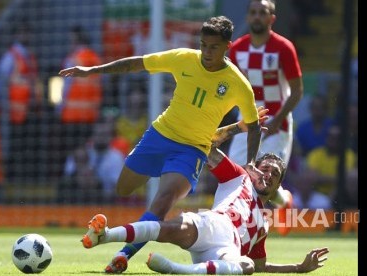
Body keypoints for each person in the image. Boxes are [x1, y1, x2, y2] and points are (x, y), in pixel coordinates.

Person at [59, 15, 262, 273]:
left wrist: (252, 162)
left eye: (213, 47)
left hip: (192, 150)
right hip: (160, 135)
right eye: (203, 45)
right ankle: (120, 238)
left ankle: (121, 256)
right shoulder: (183, 58)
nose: (206, 52)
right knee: (123, 188)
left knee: (162, 202)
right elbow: (138, 64)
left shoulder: (238, 84)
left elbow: (254, 126)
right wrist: (93, 71)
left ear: (227, 47)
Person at [80, 149, 328, 274]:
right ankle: (107, 235)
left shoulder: (264, 225)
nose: (268, 175)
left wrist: (298, 267)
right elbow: (209, 147)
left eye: (275, 174)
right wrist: (237, 128)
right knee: (168, 229)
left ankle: (178, 270)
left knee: (248, 266)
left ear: (277, 186)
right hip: (215, 225)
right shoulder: (238, 176)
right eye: (265, 168)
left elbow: (261, 265)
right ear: (254, 168)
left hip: (225, 252)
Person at [226, 0, 304, 220]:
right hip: (248, 121)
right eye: (253, 13)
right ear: (248, 17)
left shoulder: (283, 48)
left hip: (277, 124)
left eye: (263, 13)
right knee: (237, 174)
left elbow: (297, 91)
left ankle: (282, 200)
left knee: (268, 179)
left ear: (272, 19)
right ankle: (242, 221)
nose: (257, 16)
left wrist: (277, 121)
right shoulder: (238, 49)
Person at [0, 23, 43, 182]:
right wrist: (4, 104)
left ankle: (27, 178)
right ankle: (13, 179)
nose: (26, 36)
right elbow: (0, 81)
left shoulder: (29, 56)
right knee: (15, 147)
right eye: (22, 33)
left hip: (30, 110)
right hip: (14, 112)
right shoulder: (11, 56)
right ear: (16, 35)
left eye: (27, 32)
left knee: (29, 148)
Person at [56, 25, 103, 175]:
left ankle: (71, 177)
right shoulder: (96, 59)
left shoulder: (72, 59)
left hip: (71, 115)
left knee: (72, 152)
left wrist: (59, 108)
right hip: (90, 115)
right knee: (87, 149)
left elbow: (65, 87)